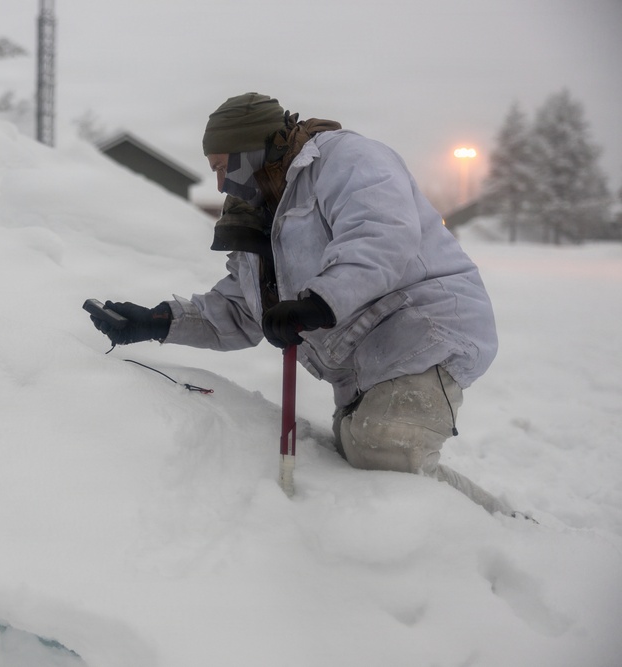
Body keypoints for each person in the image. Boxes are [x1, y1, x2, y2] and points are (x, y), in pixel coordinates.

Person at [90, 92, 516, 517]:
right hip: (365, 367)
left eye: (223, 166)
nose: (220, 184)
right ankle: (491, 524)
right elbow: (241, 310)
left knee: (385, 448)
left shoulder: (347, 160)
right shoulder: (263, 215)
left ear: (253, 149)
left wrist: (318, 302)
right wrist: (158, 321)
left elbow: (380, 236)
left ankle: (502, 536)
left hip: (425, 329)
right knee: (364, 460)